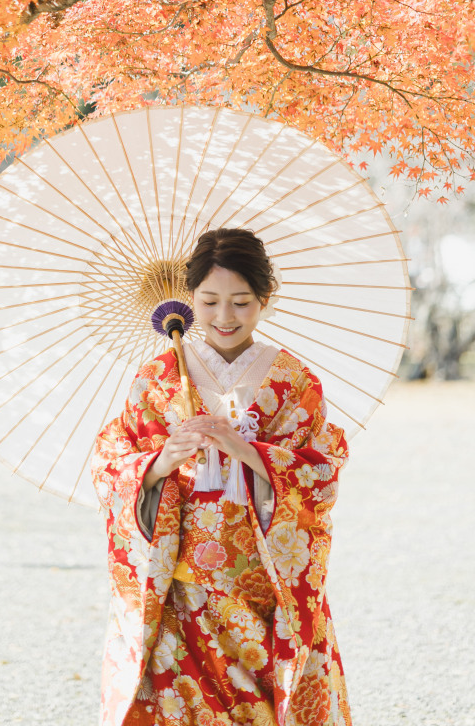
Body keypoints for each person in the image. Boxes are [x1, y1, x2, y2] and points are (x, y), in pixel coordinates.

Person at [91, 227, 351, 726]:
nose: (225, 317)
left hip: (264, 586)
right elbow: (111, 465)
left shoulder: (293, 381)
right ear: (190, 299)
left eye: (241, 302)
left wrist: (249, 451)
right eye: (210, 301)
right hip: (180, 587)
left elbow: (321, 473)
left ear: (265, 299)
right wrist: (160, 462)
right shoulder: (158, 377)